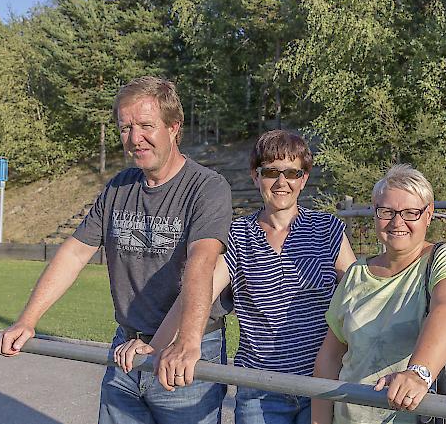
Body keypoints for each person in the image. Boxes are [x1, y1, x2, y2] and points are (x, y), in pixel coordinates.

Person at [0, 76, 233, 424]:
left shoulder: (206, 187)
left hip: (185, 352)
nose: (135, 139)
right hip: (125, 348)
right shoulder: (119, 188)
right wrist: (27, 320)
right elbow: (74, 254)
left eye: (146, 126)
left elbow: (202, 265)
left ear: (174, 127)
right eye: (126, 128)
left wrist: (184, 341)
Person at [114, 129, 357, 424]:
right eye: (271, 172)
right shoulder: (237, 234)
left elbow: (356, 299)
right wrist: (156, 346)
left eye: (292, 173)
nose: (282, 182)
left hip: (319, 384)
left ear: (304, 179)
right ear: (255, 176)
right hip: (259, 390)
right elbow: (196, 293)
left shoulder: (328, 229)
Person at [312, 164, 446, 424]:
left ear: (428, 214)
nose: (398, 222)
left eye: (410, 212)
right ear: (375, 214)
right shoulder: (356, 273)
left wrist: (418, 373)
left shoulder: (442, 258)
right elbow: (330, 357)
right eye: (387, 212)